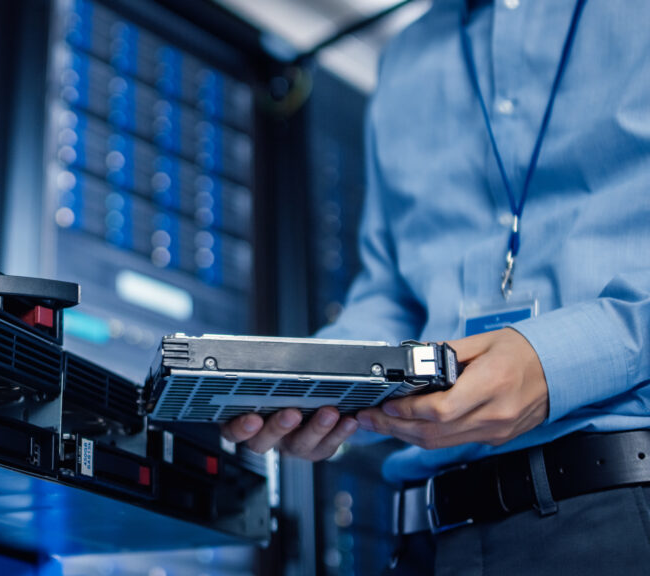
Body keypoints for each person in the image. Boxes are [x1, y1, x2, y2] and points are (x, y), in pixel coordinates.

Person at [222, 0, 650, 573]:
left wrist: (555, 363)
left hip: (619, 509)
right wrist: (316, 382)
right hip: (427, 539)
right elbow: (392, 297)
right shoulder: (407, 59)